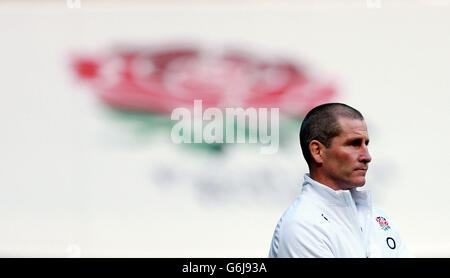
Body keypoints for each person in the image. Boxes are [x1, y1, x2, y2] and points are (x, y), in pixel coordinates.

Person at [268, 103, 411, 258]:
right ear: (318, 151)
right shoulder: (301, 225)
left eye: (366, 144)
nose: (367, 156)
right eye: (354, 144)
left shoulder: (378, 218)